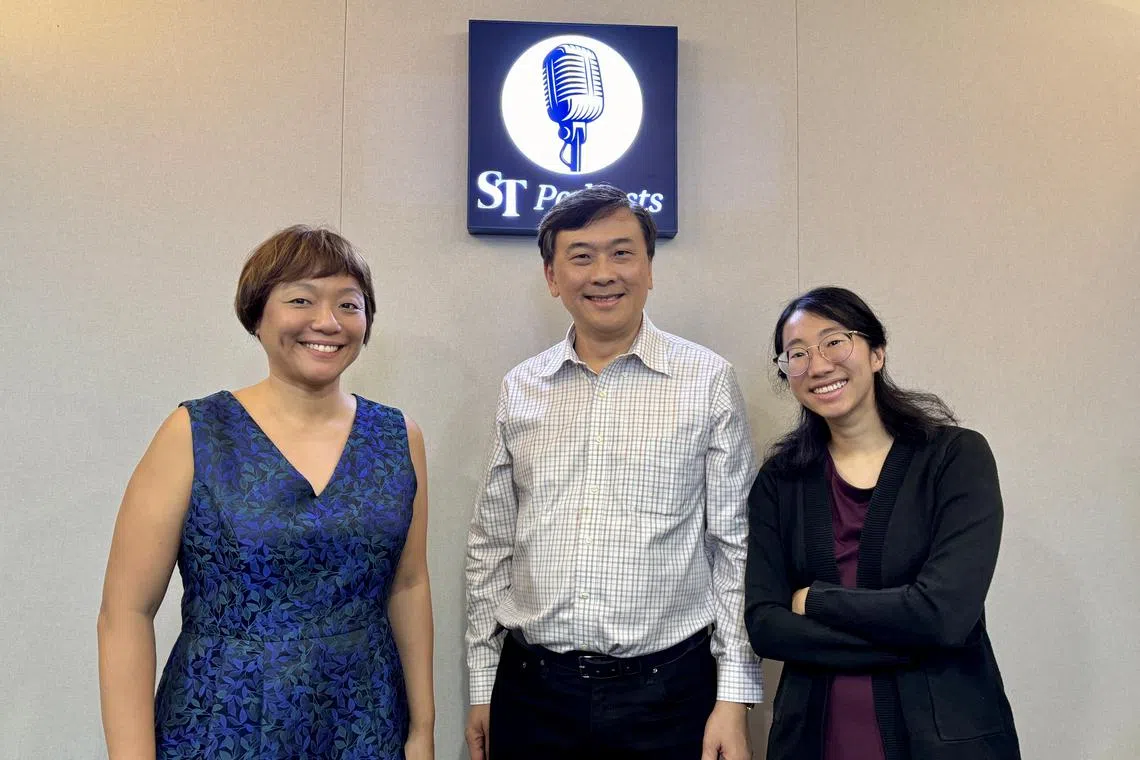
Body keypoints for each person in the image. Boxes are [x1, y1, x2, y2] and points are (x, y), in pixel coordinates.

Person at [96, 226, 434, 759]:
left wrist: (421, 732)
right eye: (302, 299)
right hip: (222, 721)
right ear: (258, 313)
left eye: (349, 304)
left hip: (365, 722)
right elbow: (125, 613)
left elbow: (408, 585)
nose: (327, 321)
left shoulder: (398, 436)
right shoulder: (196, 431)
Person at [464, 185, 763, 760]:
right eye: (581, 256)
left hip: (671, 695)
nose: (604, 273)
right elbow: (491, 546)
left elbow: (735, 548)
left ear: (649, 268)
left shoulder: (707, 381)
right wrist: (483, 687)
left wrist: (733, 696)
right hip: (532, 692)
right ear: (553, 277)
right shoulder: (520, 389)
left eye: (622, 253)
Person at [744, 286, 1021, 760]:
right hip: (813, 737)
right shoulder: (779, 481)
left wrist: (817, 601)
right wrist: (915, 638)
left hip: (947, 739)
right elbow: (767, 626)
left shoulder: (956, 458)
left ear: (876, 352)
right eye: (797, 354)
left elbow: (945, 614)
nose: (818, 365)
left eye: (835, 341)